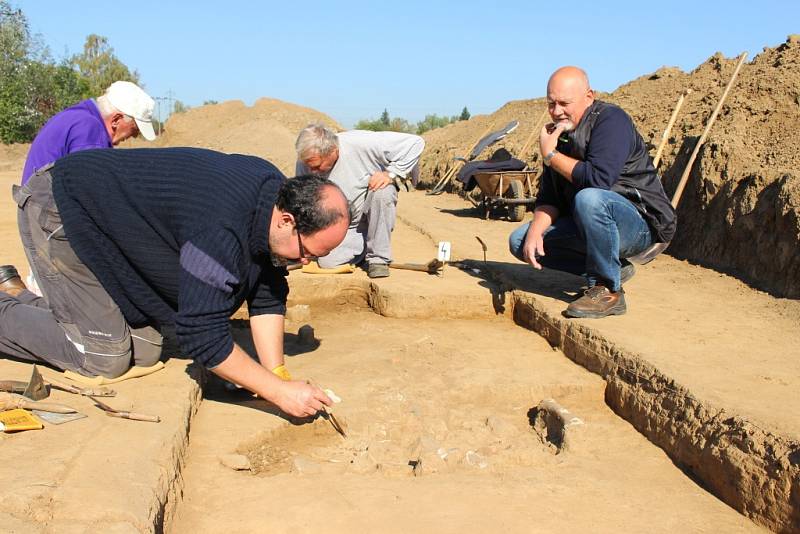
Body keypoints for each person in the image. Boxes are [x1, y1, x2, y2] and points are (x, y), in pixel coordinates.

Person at [0, 147, 350, 417]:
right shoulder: (219, 228)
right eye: (307, 253)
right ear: (287, 220)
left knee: (147, 348)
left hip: (109, 227)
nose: (306, 263)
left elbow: (268, 291)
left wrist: (276, 374)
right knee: (104, 357)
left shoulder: (274, 198)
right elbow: (201, 333)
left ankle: (18, 297)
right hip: (63, 210)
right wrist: (279, 393)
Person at [508, 66, 676, 318]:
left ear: (589, 96)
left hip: (640, 224)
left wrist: (550, 156)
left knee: (589, 198)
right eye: (551, 103)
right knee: (521, 242)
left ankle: (608, 290)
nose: (556, 111)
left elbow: (598, 179)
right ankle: (613, 269)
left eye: (564, 103)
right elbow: (550, 198)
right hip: (591, 221)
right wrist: (535, 230)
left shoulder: (611, 121)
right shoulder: (560, 135)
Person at [295, 124, 425, 278]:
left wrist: (391, 174)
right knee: (328, 262)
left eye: (316, 166)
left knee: (383, 191)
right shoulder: (306, 163)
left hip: (370, 210)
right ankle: (362, 248)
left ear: (333, 151)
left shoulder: (362, 143)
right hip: (343, 225)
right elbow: (304, 201)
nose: (312, 172)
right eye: (308, 166)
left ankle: (378, 258)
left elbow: (415, 143)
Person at [21, 80, 157, 185]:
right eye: (134, 129)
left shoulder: (80, 116)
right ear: (116, 120)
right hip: (46, 211)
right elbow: (89, 187)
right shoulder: (90, 128)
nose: (134, 135)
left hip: (38, 206)